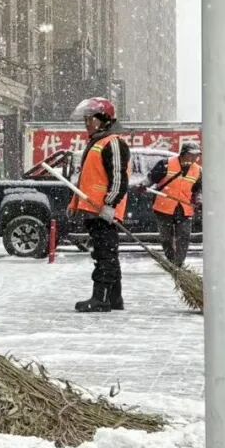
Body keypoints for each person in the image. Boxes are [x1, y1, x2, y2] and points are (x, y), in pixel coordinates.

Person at [67, 97, 131, 313]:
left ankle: (101, 299)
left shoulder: (113, 142)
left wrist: (110, 205)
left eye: (90, 119)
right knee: (107, 253)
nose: (87, 123)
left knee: (104, 256)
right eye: (85, 119)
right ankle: (114, 298)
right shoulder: (96, 142)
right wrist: (74, 203)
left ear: (104, 119)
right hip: (93, 210)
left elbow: (119, 179)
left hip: (103, 211)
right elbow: (87, 180)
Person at [142, 142, 202, 266]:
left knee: (184, 237)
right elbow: (151, 179)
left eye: (197, 156)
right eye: (191, 155)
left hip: (184, 209)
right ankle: (171, 260)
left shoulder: (198, 170)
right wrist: (143, 186)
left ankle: (178, 264)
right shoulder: (166, 164)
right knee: (166, 239)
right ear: (183, 154)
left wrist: (199, 201)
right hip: (164, 207)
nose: (194, 158)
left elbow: (198, 190)